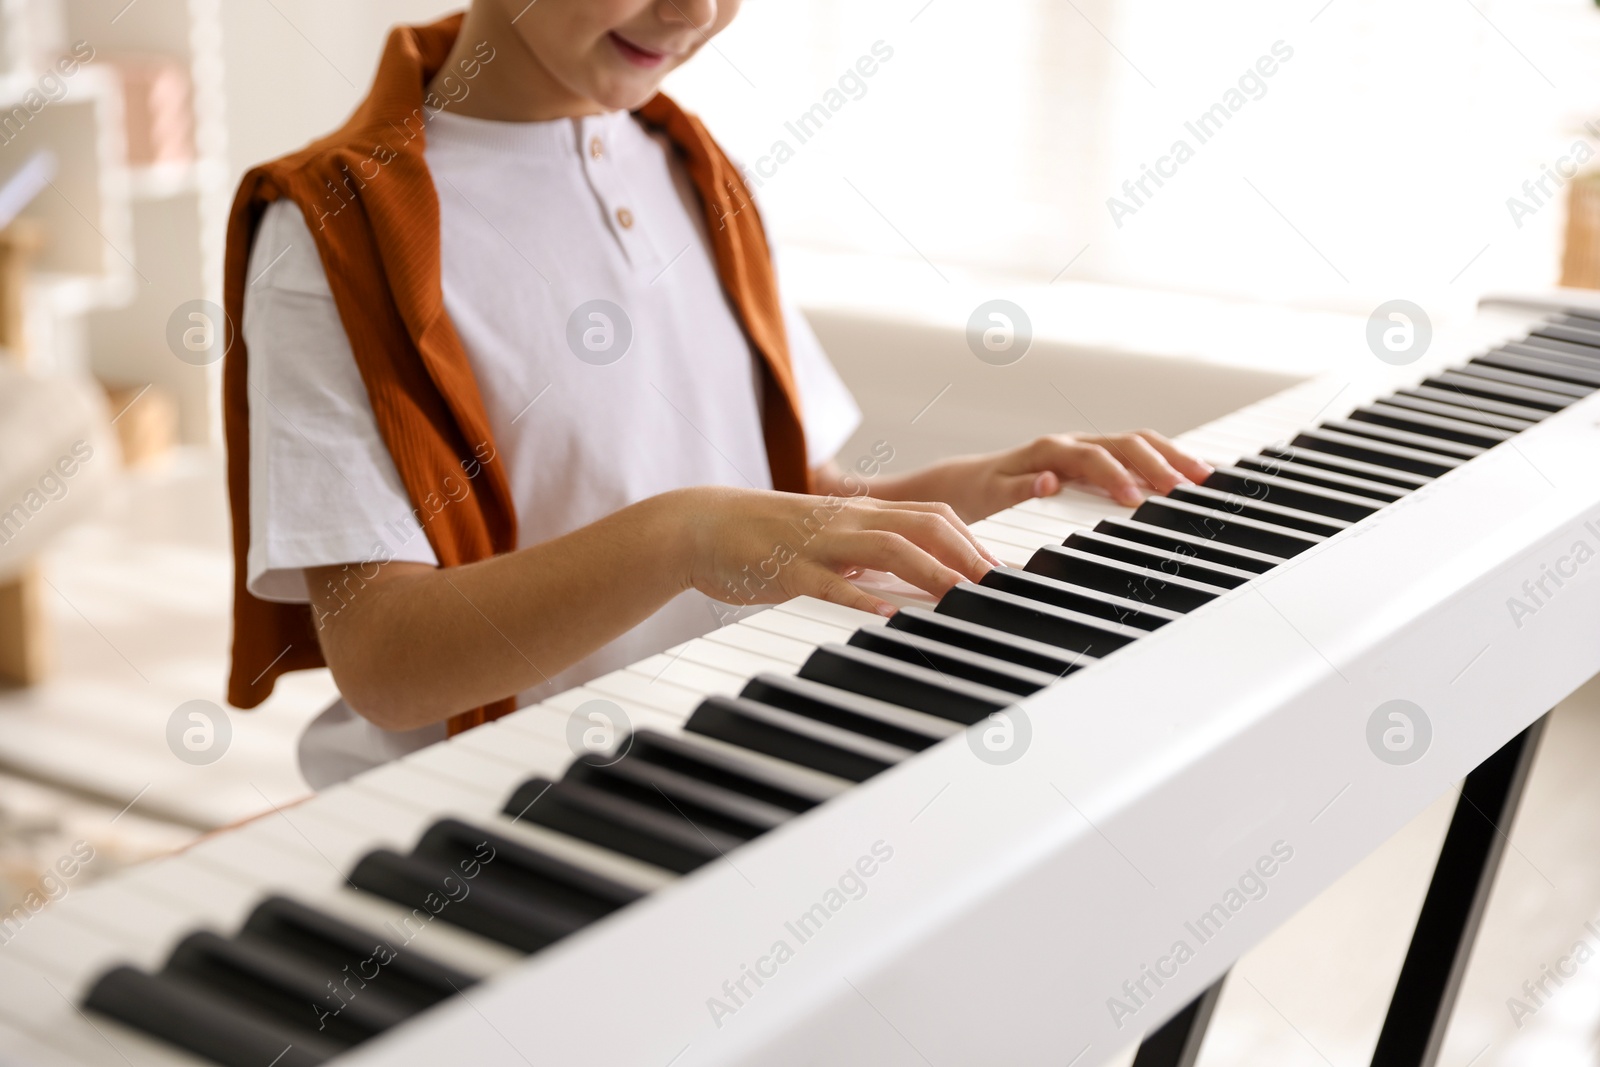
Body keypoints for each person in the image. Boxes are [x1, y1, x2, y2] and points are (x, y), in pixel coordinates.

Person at [224, 0, 1211, 779]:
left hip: (726, 744)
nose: (693, 9)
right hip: (487, 823)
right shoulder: (333, 231)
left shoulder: (692, 166)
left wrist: (968, 486)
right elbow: (386, 661)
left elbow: (771, 496)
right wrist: (680, 534)